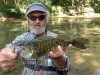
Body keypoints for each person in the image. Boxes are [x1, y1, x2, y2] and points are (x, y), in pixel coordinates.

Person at [0, 2, 72, 75]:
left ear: (46, 18)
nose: (37, 21)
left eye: (41, 17)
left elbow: (66, 67)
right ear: (28, 19)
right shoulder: (22, 39)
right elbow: (10, 47)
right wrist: (5, 55)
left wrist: (57, 58)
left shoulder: (56, 38)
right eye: (32, 18)